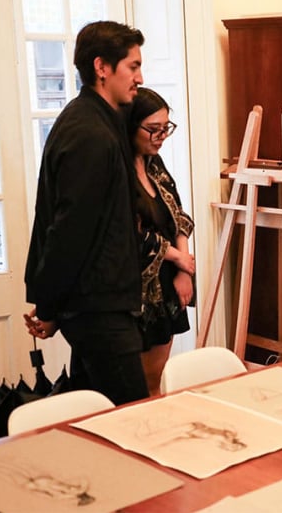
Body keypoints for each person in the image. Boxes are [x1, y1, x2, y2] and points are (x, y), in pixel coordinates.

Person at [23, 20, 149, 405]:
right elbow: (69, 231)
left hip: (99, 304)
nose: (140, 78)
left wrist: (53, 305)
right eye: (132, 66)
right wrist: (49, 305)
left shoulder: (99, 120)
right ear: (102, 67)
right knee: (133, 420)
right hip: (99, 309)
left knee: (92, 419)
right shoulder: (89, 133)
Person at [127, 87, 196, 396]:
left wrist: (184, 269)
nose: (161, 136)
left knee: (156, 382)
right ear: (131, 126)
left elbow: (179, 216)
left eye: (166, 127)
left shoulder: (154, 163)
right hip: (138, 290)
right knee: (137, 387)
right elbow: (130, 235)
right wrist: (178, 258)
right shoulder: (119, 169)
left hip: (167, 283)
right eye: (153, 129)